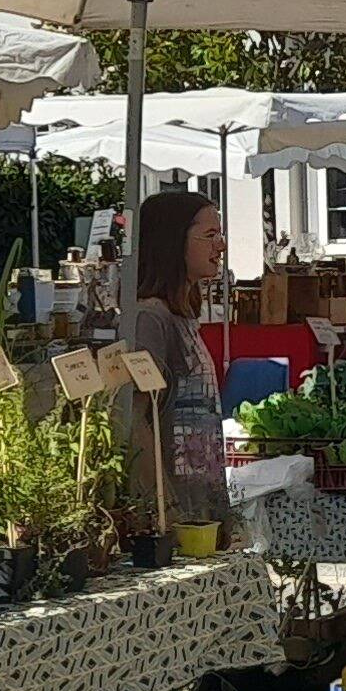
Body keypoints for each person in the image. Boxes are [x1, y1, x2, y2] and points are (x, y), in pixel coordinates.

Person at [123, 185, 228, 537]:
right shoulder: (150, 319)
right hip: (174, 515)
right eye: (210, 235)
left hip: (199, 504)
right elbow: (134, 418)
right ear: (172, 243)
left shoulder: (182, 316)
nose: (221, 246)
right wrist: (164, 503)